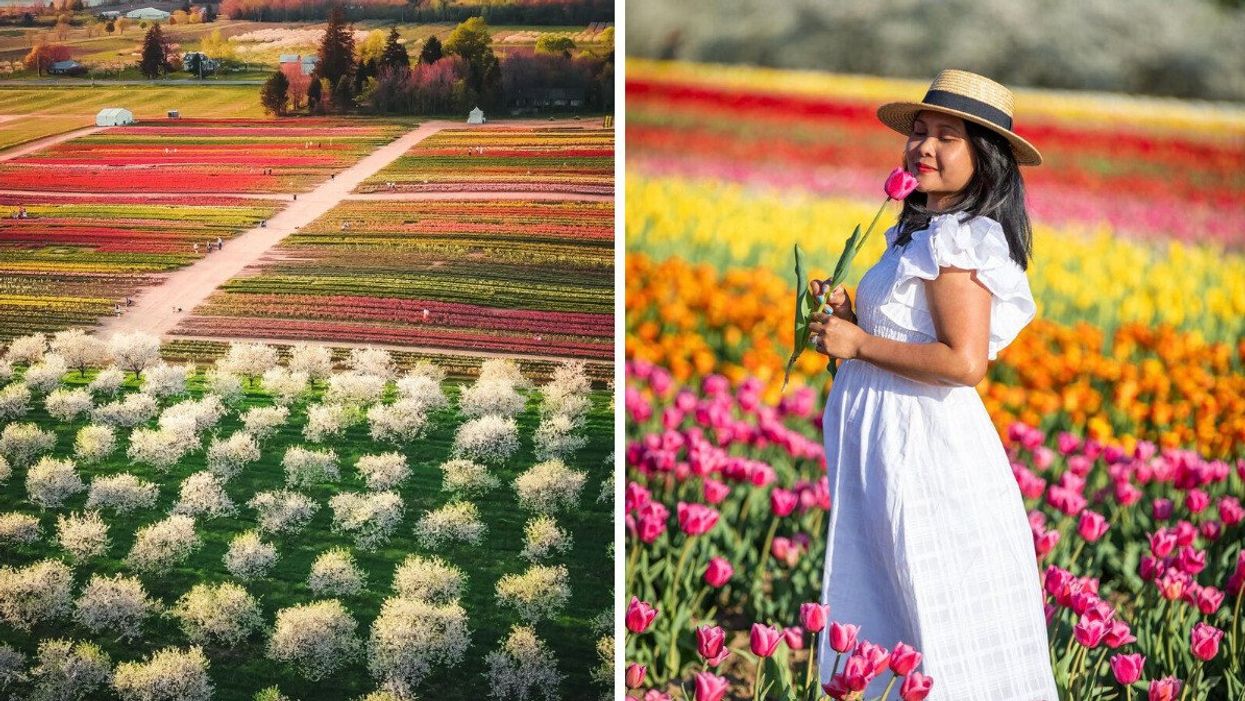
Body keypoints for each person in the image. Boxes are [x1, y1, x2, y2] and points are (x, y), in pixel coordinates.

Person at [807, 69, 1057, 700]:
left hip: (925, 451)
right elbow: (915, 330)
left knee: (927, 601)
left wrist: (858, 343)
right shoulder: (921, 230)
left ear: (986, 159)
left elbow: (964, 361)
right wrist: (851, 315)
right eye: (920, 132)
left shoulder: (958, 242)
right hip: (893, 443)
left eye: (948, 137)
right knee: (892, 590)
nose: (924, 147)